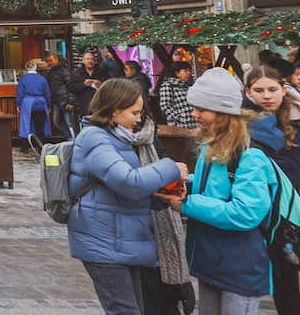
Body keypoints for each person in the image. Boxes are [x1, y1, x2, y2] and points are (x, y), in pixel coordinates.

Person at [156, 68, 278, 315]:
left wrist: (186, 204)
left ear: (223, 113)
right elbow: (210, 190)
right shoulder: (211, 142)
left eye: (201, 109)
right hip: (211, 258)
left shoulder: (250, 153)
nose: (194, 114)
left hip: (239, 265)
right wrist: (181, 184)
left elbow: (245, 213)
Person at [68, 78, 186, 315]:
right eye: (134, 112)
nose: (139, 119)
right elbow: (128, 182)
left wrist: (159, 193)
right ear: (114, 110)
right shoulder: (95, 138)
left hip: (123, 239)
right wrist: (170, 168)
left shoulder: (118, 138)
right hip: (103, 242)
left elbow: (127, 187)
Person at [243, 65, 300, 314]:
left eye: (273, 89)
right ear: (248, 93)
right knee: (284, 278)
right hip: (276, 215)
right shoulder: (244, 127)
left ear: (283, 90)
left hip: (296, 205)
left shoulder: (296, 120)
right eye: (259, 90)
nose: (267, 95)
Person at [128, 113, 194, 315]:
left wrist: (174, 187)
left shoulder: (149, 135)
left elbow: (162, 183)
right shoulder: (108, 144)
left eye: (140, 112)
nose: (137, 119)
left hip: (161, 234)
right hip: (132, 237)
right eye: (132, 111)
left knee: (163, 298)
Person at [16, 60, 51, 151]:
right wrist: (48, 105)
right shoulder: (42, 78)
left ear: (26, 67)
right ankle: (40, 146)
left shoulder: (23, 79)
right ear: (36, 67)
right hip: (40, 103)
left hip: (27, 103)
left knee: (25, 125)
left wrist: (18, 104)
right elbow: (47, 93)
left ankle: (25, 147)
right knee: (39, 126)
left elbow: (20, 93)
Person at [157, 63, 199, 129]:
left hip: (194, 125)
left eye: (189, 71)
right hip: (179, 126)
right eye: (185, 71)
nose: (188, 73)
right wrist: (180, 118)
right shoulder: (168, 85)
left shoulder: (188, 86)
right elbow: (165, 106)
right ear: (177, 73)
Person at [45, 53, 77, 138]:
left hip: (65, 100)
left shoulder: (64, 70)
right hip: (56, 102)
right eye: (48, 61)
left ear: (56, 60)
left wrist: (71, 101)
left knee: (69, 123)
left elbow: (70, 86)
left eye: (51, 60)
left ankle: (75, 141)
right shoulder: (50, 73)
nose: (49, 63)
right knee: (56, 123)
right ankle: (69, 139)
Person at [69, 51, 105, 117]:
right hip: (83, 107)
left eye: (92, 59)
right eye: (87, 59)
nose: (90, 61)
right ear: (83, 61)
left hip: (99, 106)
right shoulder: (77, 73)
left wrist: (101, 85)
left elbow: (109, 87)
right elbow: (71, 88)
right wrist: (84, 84)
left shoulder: (101, 72)